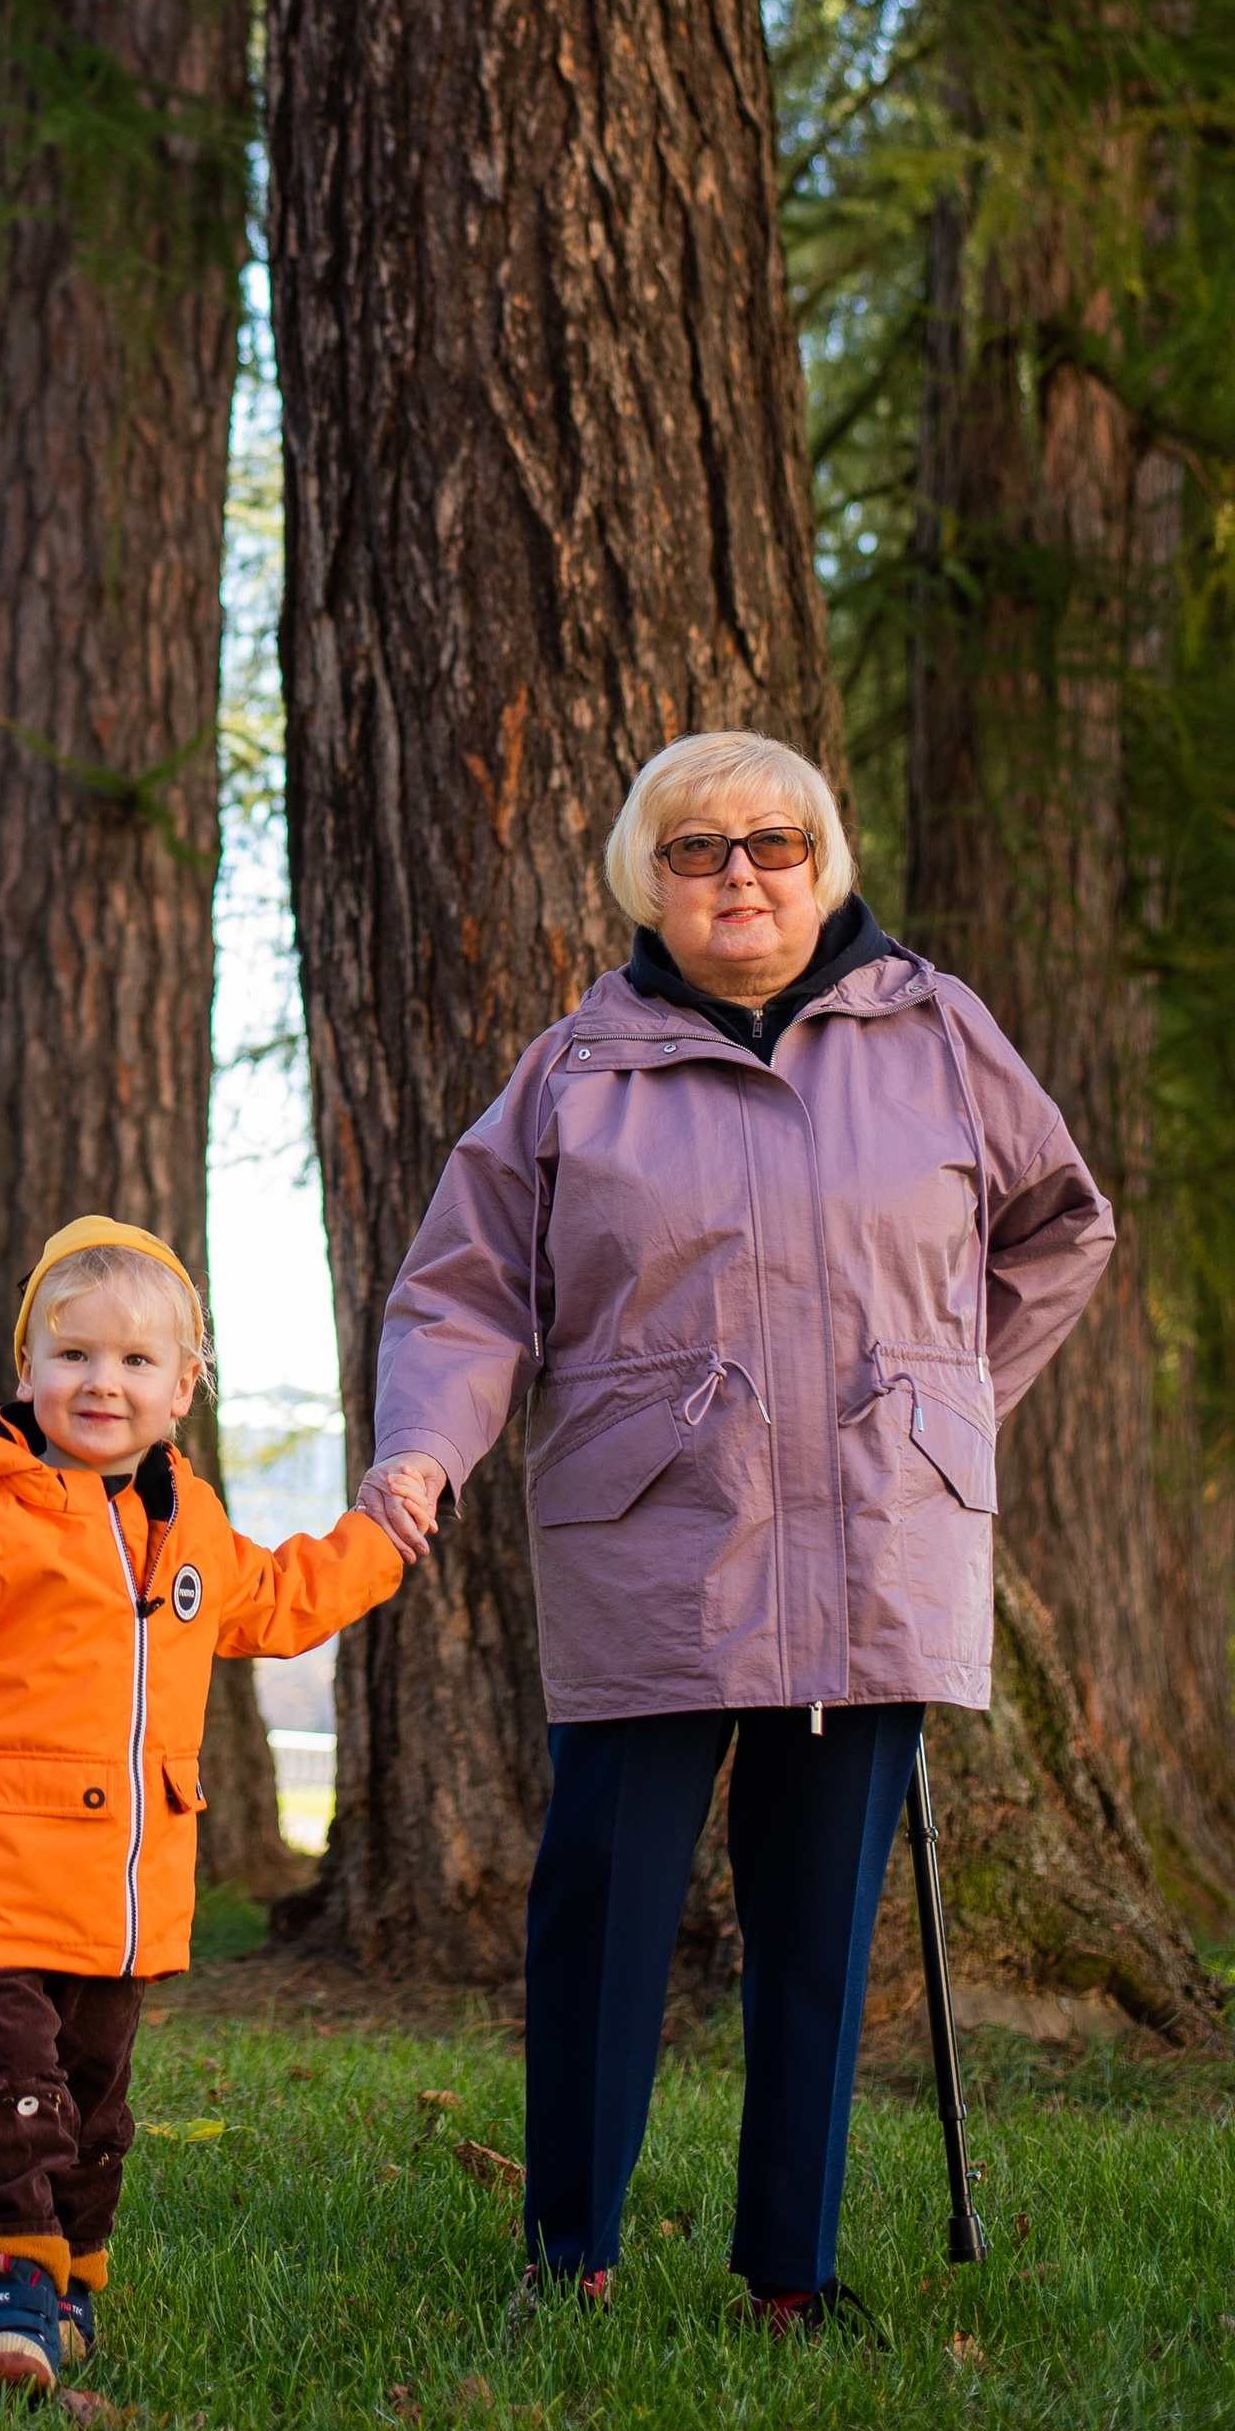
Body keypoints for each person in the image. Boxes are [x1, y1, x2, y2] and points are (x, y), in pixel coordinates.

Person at [358, 730, 1111, 2334]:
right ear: (650, 880)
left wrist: (947, 1399)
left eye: (773, 840)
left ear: (825, 859)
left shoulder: (938, 1032)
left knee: (819, 1926)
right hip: (655, 1538)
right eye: (697, 850)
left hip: (869, 1543)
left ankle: (792, 2267)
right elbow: (464, 1290)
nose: (740, 873)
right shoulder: (575, 1067)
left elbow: (1062, 1225)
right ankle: (572, 2248)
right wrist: (422, 1454)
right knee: (605, 1908)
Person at [0, 1213, 402, 2393]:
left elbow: (280, 1600)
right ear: (25, 1367)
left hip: (120, 1902)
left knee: (92, 2108)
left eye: (137, 1362)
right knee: (7, 2092)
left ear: (184, 1387)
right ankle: (0, 2298)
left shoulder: (188, 1530)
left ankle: (70, 2286)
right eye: (74, 1354)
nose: (102, 1382)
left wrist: (379, 1537)